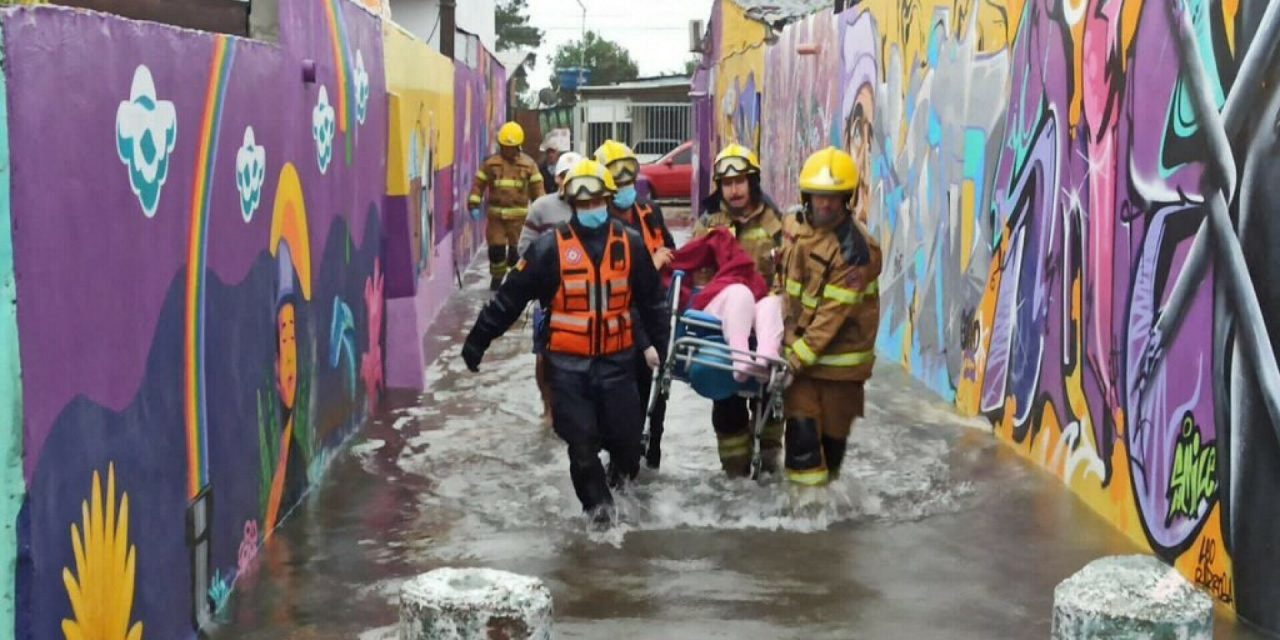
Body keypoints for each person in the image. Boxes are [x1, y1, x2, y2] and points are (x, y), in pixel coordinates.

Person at [462, 159, 670, 528]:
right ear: (571, 204)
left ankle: (618, 490)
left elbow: (653, 303)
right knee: (582, 447)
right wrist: (479, 340)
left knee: (627, 449)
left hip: (618, 364)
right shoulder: (548, 249)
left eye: (596, 203)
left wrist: (663, 351)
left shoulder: (631, 245)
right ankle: (601, 521)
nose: (591, 210)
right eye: (583, 204)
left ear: (607, 200)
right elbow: (510, 298)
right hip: (569, 369)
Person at [778, 147, 882, 486]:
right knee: (802, 447)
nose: (826, 204)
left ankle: (824, 522)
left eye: (835, 198)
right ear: (806, 195)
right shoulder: (793, 222)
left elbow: (829, 319)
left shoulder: (855, 250)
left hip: (840, 369)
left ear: (847, 198)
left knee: (831, 455)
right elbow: (780, 272)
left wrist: (793, 361)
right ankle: (804, 527)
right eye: (820, 196)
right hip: (802, 360)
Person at [691, 143, 786, 477]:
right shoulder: (709, 223)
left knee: (773, 401)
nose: (733, 189)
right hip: (724, 326)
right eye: (727, 183)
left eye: (740, 181)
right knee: (727, 403)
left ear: (752, 182)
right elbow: (699, 277)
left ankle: (771, 466)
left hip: (765, 321)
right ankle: (735, 480)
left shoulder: (774, 221)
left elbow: (787, 274)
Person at [595, 140, 676, 469]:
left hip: (655, 316)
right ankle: (619, 468)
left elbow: (668, 247)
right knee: (623, 404)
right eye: (620, 182)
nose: (627, 188)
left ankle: (652, 456)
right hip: (620, 324)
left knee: (658, 396)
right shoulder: (599, 226)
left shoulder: (648, 210)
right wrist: (651, 265)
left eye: (631, 181)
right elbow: (614, 280)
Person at [518, 150, 582, 421]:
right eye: (565, 177)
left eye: (575, 177)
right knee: (543, 355)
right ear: (556, 178)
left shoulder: (594, 206)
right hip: (548, 297)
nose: (569, 182)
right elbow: (524, 248)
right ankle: (548, 407)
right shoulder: (541, 208)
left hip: (583, 295)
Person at [468, 121, 545, 290]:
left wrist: (542, 212)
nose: (508, 150)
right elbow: (479, 184)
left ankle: (514, 282)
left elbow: (538, 189)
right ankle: (496, 281)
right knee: (496, 252)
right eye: (505, 146)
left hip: (519, 220)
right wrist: (474, 203)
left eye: (511, 147)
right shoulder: (491, 164)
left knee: (515, 254)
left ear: (518, 146)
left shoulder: (529, 165)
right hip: (496, 219)